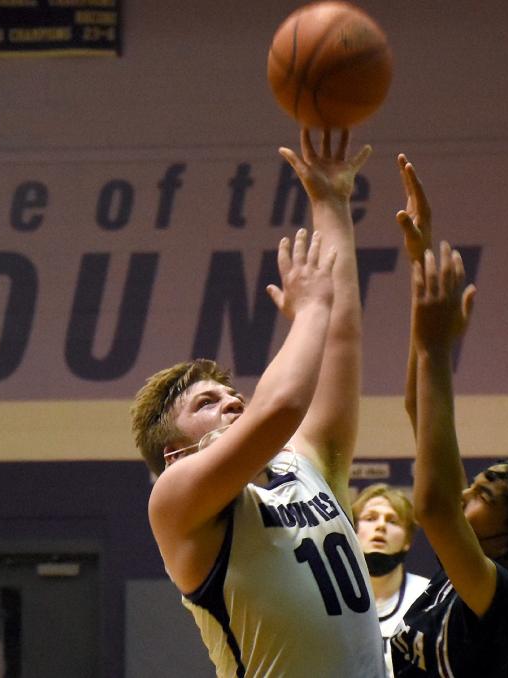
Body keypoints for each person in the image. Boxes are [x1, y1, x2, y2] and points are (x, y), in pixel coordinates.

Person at [131, 130, 385, 677]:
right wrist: (311, 308)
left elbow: (339, 342)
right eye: (207, 401)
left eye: (232, 393)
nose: (233, 400)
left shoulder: (306, 463)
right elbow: (280, 407)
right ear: (173, 451)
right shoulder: (175, 501)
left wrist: (332, 204)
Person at [388, 153, 508, 677]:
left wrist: (433, 348)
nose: (467, 491)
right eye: (477, 483)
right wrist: (419, 261)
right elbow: (417, 407)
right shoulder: (471, 577)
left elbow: (432, 506)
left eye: (484, 495)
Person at [352, 483, 430, 675]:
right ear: (352, 531)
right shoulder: (327, 596)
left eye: (392, 521)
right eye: (370, 518)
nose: (380, 526)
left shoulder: (427, 595)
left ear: (407, 541)